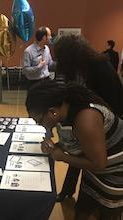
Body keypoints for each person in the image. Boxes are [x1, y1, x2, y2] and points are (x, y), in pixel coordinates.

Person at [26, 80, 123, 220]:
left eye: (39, 121)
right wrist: (57, 146)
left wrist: (62, 156)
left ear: (52, 112)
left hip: (115, 173)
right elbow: (76, 141)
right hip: (93, 171)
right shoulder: (64, 113)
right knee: (83, 207)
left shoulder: (86, 119)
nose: (39, 125)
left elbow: (99, 164)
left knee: (108, 213)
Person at [53, 35, 123, 202]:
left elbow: (114, 98)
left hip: (104, 119)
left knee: (94, 160)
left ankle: (94, 195)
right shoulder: (72, 67)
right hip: (85, 116)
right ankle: (68, 191)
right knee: (77, 154)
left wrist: (97, 122)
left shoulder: (99, 65)